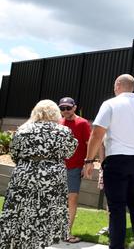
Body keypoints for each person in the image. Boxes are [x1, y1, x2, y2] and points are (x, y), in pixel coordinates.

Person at [83, 74, 134, 249]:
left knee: (117, 207)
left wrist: (89, 160)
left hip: (117, 160)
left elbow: (97, 134)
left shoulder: (110, 104)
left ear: (118, 86)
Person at [0, 100, 77, 249]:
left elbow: (14, 154)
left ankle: (21, 242)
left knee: (21, 211)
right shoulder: (63, 131)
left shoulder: (23, 129)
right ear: (55, 113)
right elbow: (69, 152)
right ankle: (40, 243)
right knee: (45, 214)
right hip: (52, 178)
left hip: (25, 174)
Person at [58, 96, 91, 244]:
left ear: (74, 107)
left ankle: (67, 233)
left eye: (68, 108)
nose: (65, 111)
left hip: (74, 168)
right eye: (62, 108)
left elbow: (89, 144)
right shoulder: (58, 122)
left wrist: (88, 164)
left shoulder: (82, 123)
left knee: (72, 199)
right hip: (57, 167)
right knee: (58, 200)